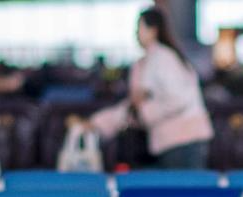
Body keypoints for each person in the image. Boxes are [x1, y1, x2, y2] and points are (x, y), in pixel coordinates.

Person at [90, 7, 213, 169]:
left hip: (183, 142)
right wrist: (99, 122)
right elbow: (135, 105)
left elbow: (179, 99)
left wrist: (146, 112)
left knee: (183, 185)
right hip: (174, 141)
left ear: (153, 30)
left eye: (139, 27)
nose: (135, 33)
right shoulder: (149, 61)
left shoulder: (163, 59)